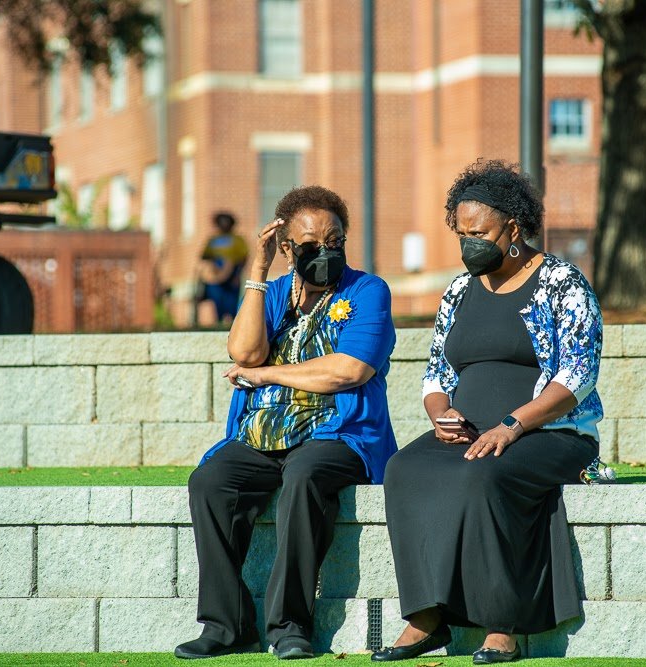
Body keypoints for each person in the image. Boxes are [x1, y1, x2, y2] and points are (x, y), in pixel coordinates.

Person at [372, 160, 604, 665]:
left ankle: (503, 626)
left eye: (479, 232)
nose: (468, 244)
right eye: (461, 234)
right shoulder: (459, 289)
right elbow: (436, 373)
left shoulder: (562, 282)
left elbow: (577, 375)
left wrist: (513, 425)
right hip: (468, 430)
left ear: (513, 228)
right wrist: (440, 414)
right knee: (404, 470)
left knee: (484, 478)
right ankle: (426, 617)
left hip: (549, 431)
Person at [175, 186, 398, 661]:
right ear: (287, 249)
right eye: (311, 245)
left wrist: (265, 375)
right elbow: (244, 352)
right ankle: (227, 624)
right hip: (263, 431)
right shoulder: (275, 292)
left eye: (335, 240)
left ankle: (290, 625)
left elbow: (351, 370)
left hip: (338, 432)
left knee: (304, 476)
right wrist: (256, 272)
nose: (326, 251)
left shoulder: (368, 291)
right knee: (212, 481)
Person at [198, 211, 250, 323]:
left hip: (233, 273)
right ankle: (219, 321)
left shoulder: (238, 240)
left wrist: (237, 274)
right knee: (217, 300)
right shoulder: (212, 240)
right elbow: (204, 256)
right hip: (215, 274)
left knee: (231, 301)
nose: (224, 224)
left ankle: (233, 322)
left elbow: (243, 257)